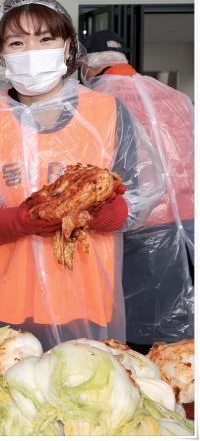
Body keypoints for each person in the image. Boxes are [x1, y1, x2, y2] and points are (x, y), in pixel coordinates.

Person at [0, 0, 163, 350]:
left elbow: (140, 195)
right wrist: (22, 221)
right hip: (1, 300)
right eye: (16, 42)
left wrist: (100, 213)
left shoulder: (106, 113)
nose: (31, 51)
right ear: (1, 55)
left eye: (45, 39)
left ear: (68, 45)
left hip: (81, 297)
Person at [80, 30, 194, 352]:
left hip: (136, 229)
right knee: (181, 338)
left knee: (137, 340)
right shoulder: (176, 97)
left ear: (85, 63)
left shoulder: (97, 102)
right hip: (189, 227)